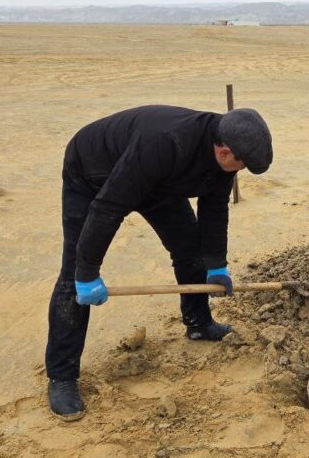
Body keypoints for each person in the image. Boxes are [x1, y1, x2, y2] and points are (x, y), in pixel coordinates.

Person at [45, 105, 273, 421]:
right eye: (242, 164)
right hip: (94, 171)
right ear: (224, 151)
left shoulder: (225, 149)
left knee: (191, 250)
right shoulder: (166, 141)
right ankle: (62, 377)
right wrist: (86, 272)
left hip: (157, 180)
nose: (241, 169)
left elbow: (214, 209)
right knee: (73, 273)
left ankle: (198, 323)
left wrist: (216, 265)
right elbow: (107, 208)